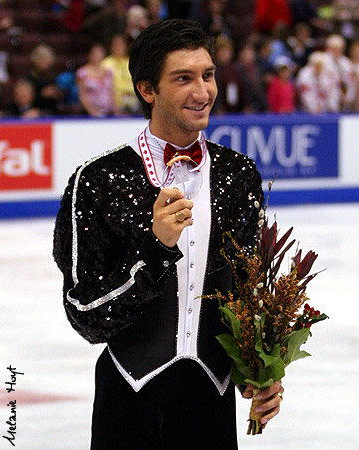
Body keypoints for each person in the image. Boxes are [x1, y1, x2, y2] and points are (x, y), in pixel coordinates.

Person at [53, 19, 283, 449]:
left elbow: (247, 290)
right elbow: (85, 313)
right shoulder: (99, 179)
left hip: (210, 399)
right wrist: (155, 248)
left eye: (208, 75)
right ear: (147, 89)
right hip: (129, 398)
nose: (203, 92)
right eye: (184, 78)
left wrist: (258, 368)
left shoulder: (239, 174)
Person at [76, 43, 116, 117]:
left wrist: (116, 111)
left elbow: (111, 92)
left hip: (108, 111)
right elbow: (82, 94)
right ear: (89, 55)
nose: (97, 56)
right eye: (95, 54)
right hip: (90, 112)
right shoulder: (82, 73)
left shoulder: (108, 72)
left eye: (100, 53)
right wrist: (91, 111)